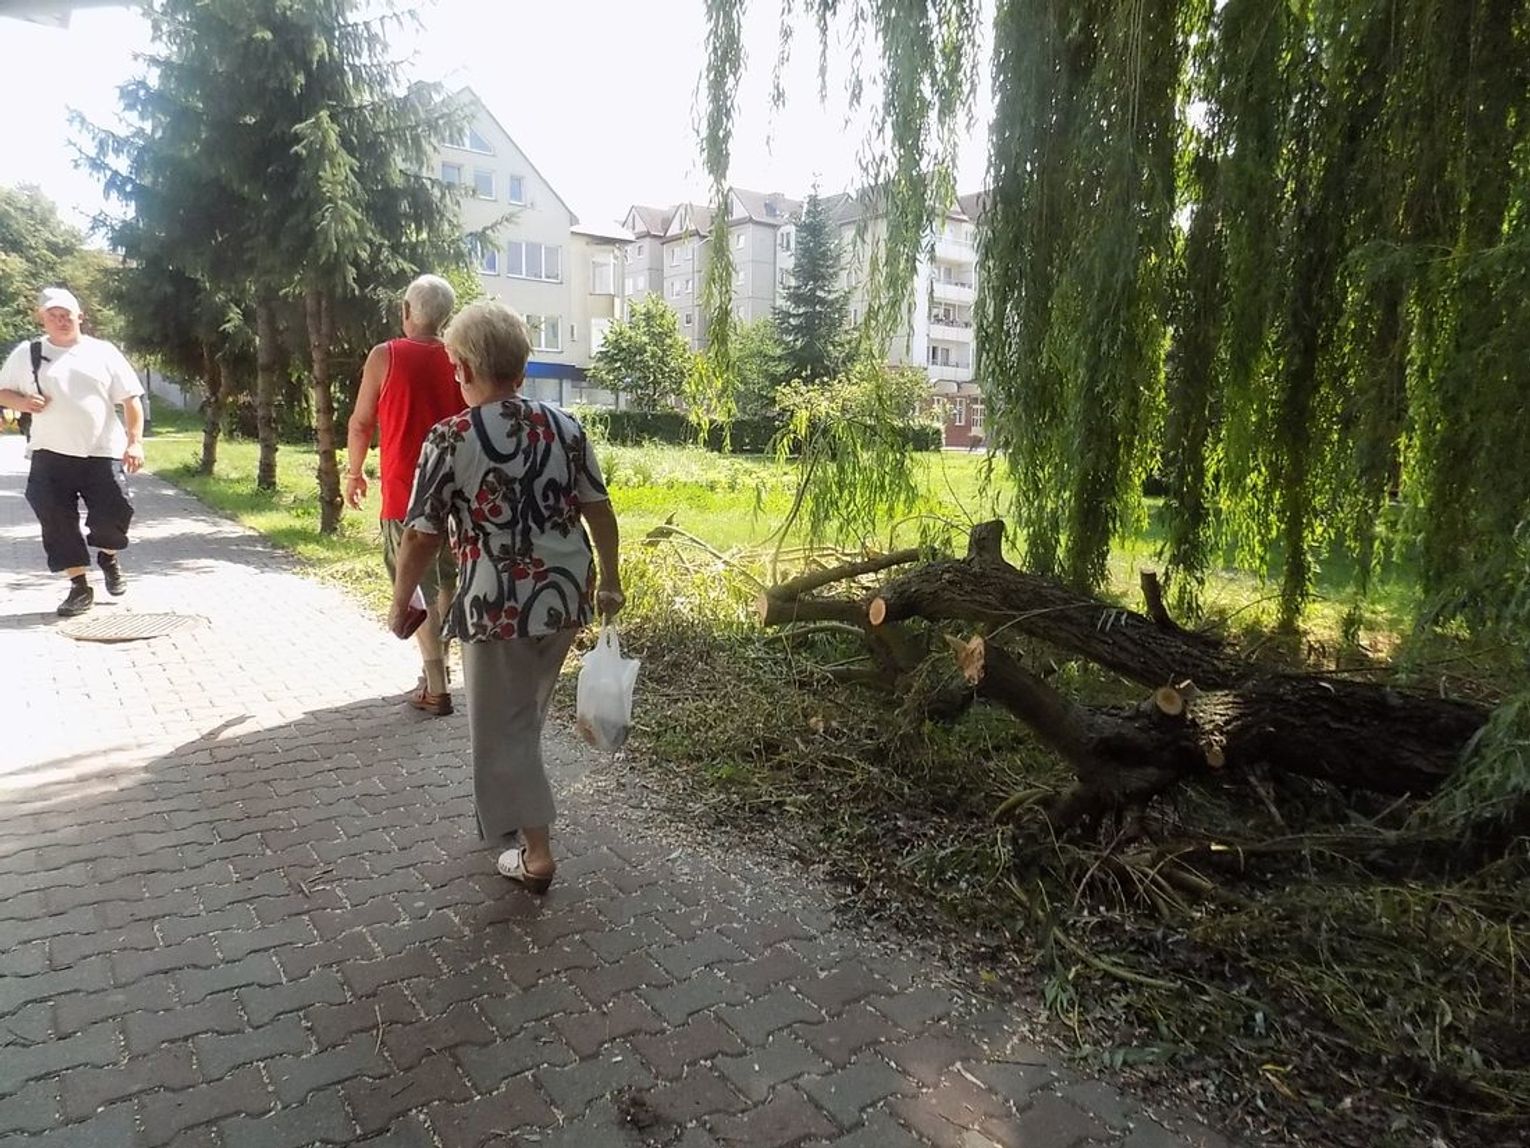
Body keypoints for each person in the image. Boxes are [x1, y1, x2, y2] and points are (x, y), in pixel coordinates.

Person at [387, 300, 623, 893]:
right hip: (565, 597)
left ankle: (537, 854)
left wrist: (400, 600)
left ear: (464, 368)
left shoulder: (451, 437)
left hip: (498, 605)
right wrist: (611, 580)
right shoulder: (566, 427)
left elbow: (420, 534)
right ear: (521, 366)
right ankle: (512, 817)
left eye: (454, 366)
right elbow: (599, 509)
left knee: (502, 731)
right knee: (523, 717)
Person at [346, 274, 464, 716]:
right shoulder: (459, 356)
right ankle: (441, 669)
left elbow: (361, 423)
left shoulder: (386, 355)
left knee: (416, 583)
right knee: (447, 581)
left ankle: (436, 685)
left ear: (406, 311)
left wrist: (354, 472)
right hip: (459, 495)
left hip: (405, 495)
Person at [0, 288, 144, 617]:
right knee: (56, 522)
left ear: (80, 316)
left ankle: (108, 556)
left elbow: (131, 399)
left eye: (66, 315)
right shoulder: (28, 353)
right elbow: (3, 392)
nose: (61, 321)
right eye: (53, 315)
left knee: (114, 514)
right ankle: (79, 586)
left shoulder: (102, 352)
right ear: (42, 318)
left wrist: (135, 441)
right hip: (49, 453)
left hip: (101, 452)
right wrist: (23, 402)